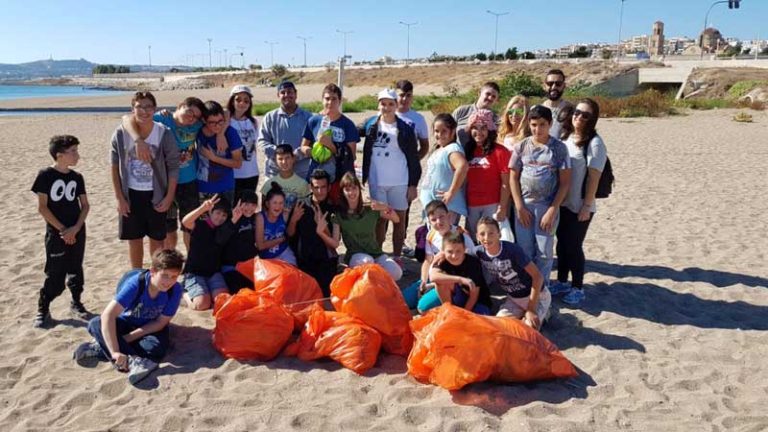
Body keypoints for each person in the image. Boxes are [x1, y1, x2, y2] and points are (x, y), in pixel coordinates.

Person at [73, 249, 185, 385]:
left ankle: (101, 347)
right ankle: (134, 359)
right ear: (153, 271)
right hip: (125, 322)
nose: (169, 281)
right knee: (95, 323)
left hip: (148, 327)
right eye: (165, 275)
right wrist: (114, 352)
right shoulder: (136, 283)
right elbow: (108, 315)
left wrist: (128, 338)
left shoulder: (175, 290)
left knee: (156, 349)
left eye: (174, 277)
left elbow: (160, 322)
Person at [120, 97, 205, 251]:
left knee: (190, 226)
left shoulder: (196, 125)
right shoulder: (163, 119)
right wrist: (138, 140)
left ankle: (191, 259)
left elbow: (223, 115)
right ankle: (169, 258)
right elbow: (127, 118)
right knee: (168, 227)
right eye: (189, 112)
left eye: (196, 117)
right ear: (180, 106)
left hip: (189, 181)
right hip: (165, 182)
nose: (191, 118)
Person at [110, 91, 180, 269]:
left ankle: (155, 273)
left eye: (148, 107)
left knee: (157, 239)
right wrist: (119, 198)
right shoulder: (121, 133)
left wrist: (169, 197)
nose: (144, 111)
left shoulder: (163, 133)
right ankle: (137, 273)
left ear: (154, 109)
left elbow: (173, 166)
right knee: (134, 239)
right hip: (131, 193)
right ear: (132, 109)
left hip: (156, 194)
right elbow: (114, 167)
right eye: (139, 106)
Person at [509, 105, 571, 290]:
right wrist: (519, 206)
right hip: (524, 207)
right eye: (534, 124)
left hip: (547, 207)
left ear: (550, 124)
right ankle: (527, 288)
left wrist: (552, 210)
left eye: (542, 124)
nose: (538, 129)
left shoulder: (559, 149)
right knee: (524, 250)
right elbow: (513, 177)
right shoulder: (521, 146)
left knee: (544, 252)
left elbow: (565, 183)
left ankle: (542, 289)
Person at [552, 98, 607, 306]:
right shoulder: (566, 136)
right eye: (577, 112)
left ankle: (577, 287)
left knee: (574, 246)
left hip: (580, 205)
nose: (579, 117)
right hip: (563, 203)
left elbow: (594, 177)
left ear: (592, 119)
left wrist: (586, 206)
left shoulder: (595, 143)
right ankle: (562, 281)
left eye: (585, 115)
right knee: (562, 244)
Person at [32, 135, 90, 328]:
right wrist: (64, 230)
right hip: (57, 234)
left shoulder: (77, 177)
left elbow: (85, 206)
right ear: (59, 155)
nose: (77, 155)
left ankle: (76, 302)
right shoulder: (45, 175)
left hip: (77, 230)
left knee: (76, 268)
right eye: (73, 151)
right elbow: (42, 207)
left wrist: (76, 228)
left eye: (77, 150)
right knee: (55, 273)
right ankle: (43, 309)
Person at [361, 89, 421, 263]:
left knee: (399, 220)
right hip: (376, 181)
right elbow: (352, 132)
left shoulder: (405, 128)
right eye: (383, 104)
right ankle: (378, 255)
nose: (386, 107)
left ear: (396, 105)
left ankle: (397, 256)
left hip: (399, 181)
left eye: (390, 104)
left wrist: (413, 185)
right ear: (378, 105)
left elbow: (413, 158)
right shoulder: (371, 124)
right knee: (379, 221)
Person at [474, 217, 549, 329]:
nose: (486, 238)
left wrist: (531, 309)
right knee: (499, 326)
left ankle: (544, 311)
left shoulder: (513, 250)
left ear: (499, 234)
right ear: (477, 236)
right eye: (482, 234)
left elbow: (538, 277)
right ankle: (525, 314)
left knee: (527, 329)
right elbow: (460, 252)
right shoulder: (479, 252)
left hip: (536, 296)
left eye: (491, 233)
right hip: (514, 299)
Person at [332, 172, 402, 281]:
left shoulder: (370, 208)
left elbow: (396, 219)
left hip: (376, 253)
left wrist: (385, 207)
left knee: (396, 272)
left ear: (359, 189)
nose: (351, 192)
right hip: (355, 255)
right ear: (342, 192)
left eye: (354, 188)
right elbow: (335, 241)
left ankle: (377, 283)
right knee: (367, 262)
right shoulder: (339, 214)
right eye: (347, 189)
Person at [300, 83, 360, 199]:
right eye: (327, 99)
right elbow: (303, 146)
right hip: (317, 178)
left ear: (340, 101)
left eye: (334, 99)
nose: (330, 102)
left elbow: (352, 156)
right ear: (322, 100)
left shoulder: (348, 124)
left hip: (338, 179)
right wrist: (314, 153)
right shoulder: (314, 121)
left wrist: (331, 146)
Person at [286, 169, 340, 296]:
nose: (320, 191)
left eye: (323, 187)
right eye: (316, 187)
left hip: (325, 261)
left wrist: (323, 229)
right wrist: (293, 220)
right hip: (303, 261)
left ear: (329, 187)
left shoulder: (333, 209)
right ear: (310, 187)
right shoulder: (301, 205)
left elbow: (334, 245)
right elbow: (289, 234)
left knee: (326, 296)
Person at [416, 200, 475, 313]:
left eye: (441, 217)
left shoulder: (460, 234)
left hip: (451, 281)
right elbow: (428, 260)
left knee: (422, 307)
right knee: (406, 299)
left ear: (449, 216)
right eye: (433, 219)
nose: (438, 221)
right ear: (429, 221)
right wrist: (423, 279)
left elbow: (471, 260)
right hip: (433, 277)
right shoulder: (431, 235)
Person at [181, 194, 236, 311]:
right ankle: (183, 292)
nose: (220, 217)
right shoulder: (200, 225)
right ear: (210, 212)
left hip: (214, 272)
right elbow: (185, 222)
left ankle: (206, 293)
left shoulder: (224, 229)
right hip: (195, 272)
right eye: (218, 213)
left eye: (224, 215)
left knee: (222, 302)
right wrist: (202, 208)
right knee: (201, 305)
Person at [462, 109, 511, 240]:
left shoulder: (500, 151)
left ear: (490, 130)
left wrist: (502, 207)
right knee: (474, 239)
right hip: (471, 204)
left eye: (483, 128)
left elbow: (506, 183)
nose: (479, 132)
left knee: (491, 239)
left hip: (492, 203)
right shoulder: (467, 151)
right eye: (475, 128)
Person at [419, 113, 468, 225]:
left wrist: (451, 192)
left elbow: (463, 166)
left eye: (444, 131)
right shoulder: (439, 149)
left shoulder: (452, 148)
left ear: (453, 131)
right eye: (436, 131)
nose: (440, 134)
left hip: (446, 207)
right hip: (433, 206)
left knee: (446, 234)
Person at [428, 231, 492, 315]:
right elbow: (433, 277)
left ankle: (455, 313)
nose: (454, 255)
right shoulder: (441, 259)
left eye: (458, 251)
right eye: (450, 251)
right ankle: (449, 310)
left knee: (476, 319)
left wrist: (463, 314)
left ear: (465, 249)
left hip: (476, 300)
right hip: (455, 294)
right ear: (443, 251)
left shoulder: (473, 263)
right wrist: (460, 279)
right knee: (423, 308)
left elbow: (474, 295)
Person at [259, 81, 313, 180]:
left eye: (290, 92)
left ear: (296, 94)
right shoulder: (270, 117)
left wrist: (296, 155)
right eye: (283, 92)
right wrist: (281, 155)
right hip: (275, 173)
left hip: (301, 174)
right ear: (278, 95)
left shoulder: (308, 117)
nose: (286, 95)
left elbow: (313, 144)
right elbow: (262, 142)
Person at [196, 100, 243, 205]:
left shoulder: (230, 132)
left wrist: (214, 158)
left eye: (220, 121)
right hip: (201, 187)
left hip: (224, 188)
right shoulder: (197, 130)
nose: (217, 126)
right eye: (212, 122)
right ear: (203, 120)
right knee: (202, 216)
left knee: (224, 215)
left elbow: (238, 163)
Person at [221, 190, 259, 293]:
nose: (249, 208)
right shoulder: (231, 217)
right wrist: (233, 220)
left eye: (253, 205)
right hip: (231, 267)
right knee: (241, 292)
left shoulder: (255, 218)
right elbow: (220, 239)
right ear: (239, 203)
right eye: (246, 204)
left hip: (249, 266)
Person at [227, 85, 260, 201]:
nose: (242, 103)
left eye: (246, 101)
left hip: (252, 173)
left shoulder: (253, 122)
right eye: (238, 99)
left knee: (248, 206)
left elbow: (254, 147)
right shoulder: (227, 121)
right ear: (232, 101)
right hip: (233, 174)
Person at [260, 144, 310, 218]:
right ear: (275, 161)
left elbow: (306, 210)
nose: (284, 162)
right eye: (280, 159)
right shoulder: (268, 185)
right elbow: (263, 213)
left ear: (293, 159)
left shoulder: (303, 184)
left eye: (287, 158)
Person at [256, 183, 297, 265]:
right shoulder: (260, 217)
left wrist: (293, 219)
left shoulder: (285, 214)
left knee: (292, 270)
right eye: (274, 203)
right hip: (267, 257)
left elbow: (290, 233)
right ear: (267, 204)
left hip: (284, 252)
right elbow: (260, 246)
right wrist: (281, 239)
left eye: (281, 203)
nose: (278, 206)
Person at [395, 79, 430, 159]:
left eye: (408, 95)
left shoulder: (418, 119)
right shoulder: (386, 115)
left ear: (412, 97)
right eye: (402, 95)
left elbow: (425, 146)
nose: (405, 99)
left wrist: (414, 161)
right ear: (395, 96)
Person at [541, 69, 573, 139]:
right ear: (544, 86)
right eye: (550, 84)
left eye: (558, 84)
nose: (554, 87)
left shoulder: (571, 110)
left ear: (563, 86)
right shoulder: (538, 110)